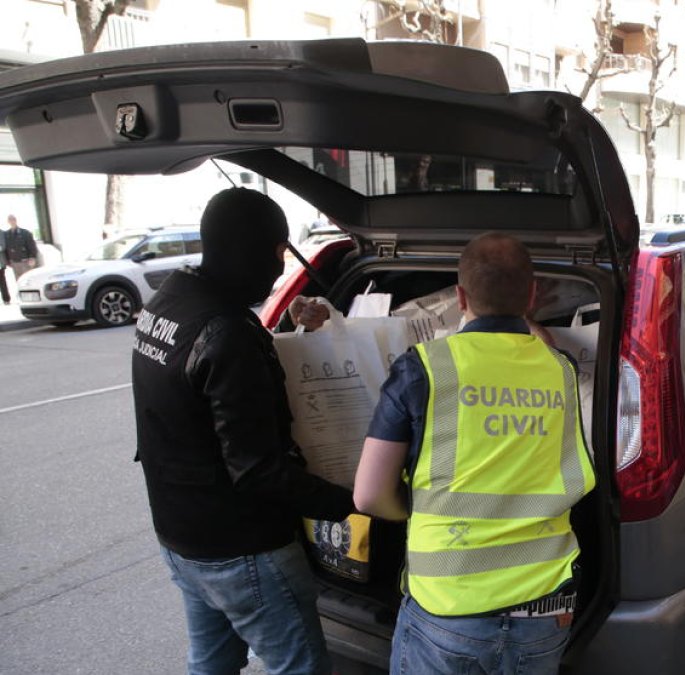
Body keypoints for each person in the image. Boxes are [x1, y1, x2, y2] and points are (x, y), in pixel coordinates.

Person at [131, 187, 354, 674]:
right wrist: (353, 503)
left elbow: (201, 390)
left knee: (211, 665)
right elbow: (258, 473)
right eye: (280, 254)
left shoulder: (169, 301)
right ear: (266, 250)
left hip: (182, 537)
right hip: (242, 550)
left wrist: (282, 336)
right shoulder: (227, 332)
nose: (280, 269)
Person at [352, 232, 595, 675]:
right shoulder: (561, 370)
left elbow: (368, 497)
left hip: (449, 605)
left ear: (460, 295)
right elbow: (538, 356)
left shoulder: (422, 368)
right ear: (533, 295)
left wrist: (418, 510)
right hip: (544, 608)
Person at [2, 214, 39, 282]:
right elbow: (6, 249)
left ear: (16, 220)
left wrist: (32, 257)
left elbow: (32, 246)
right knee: (19, 281)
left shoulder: (25, 233)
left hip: (25, 262)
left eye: (13, 219)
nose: (12, 221)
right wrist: (7, 261)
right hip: (14, 263)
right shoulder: (6, 234)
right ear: (8, 222)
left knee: (28, 281)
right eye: (10, 220)